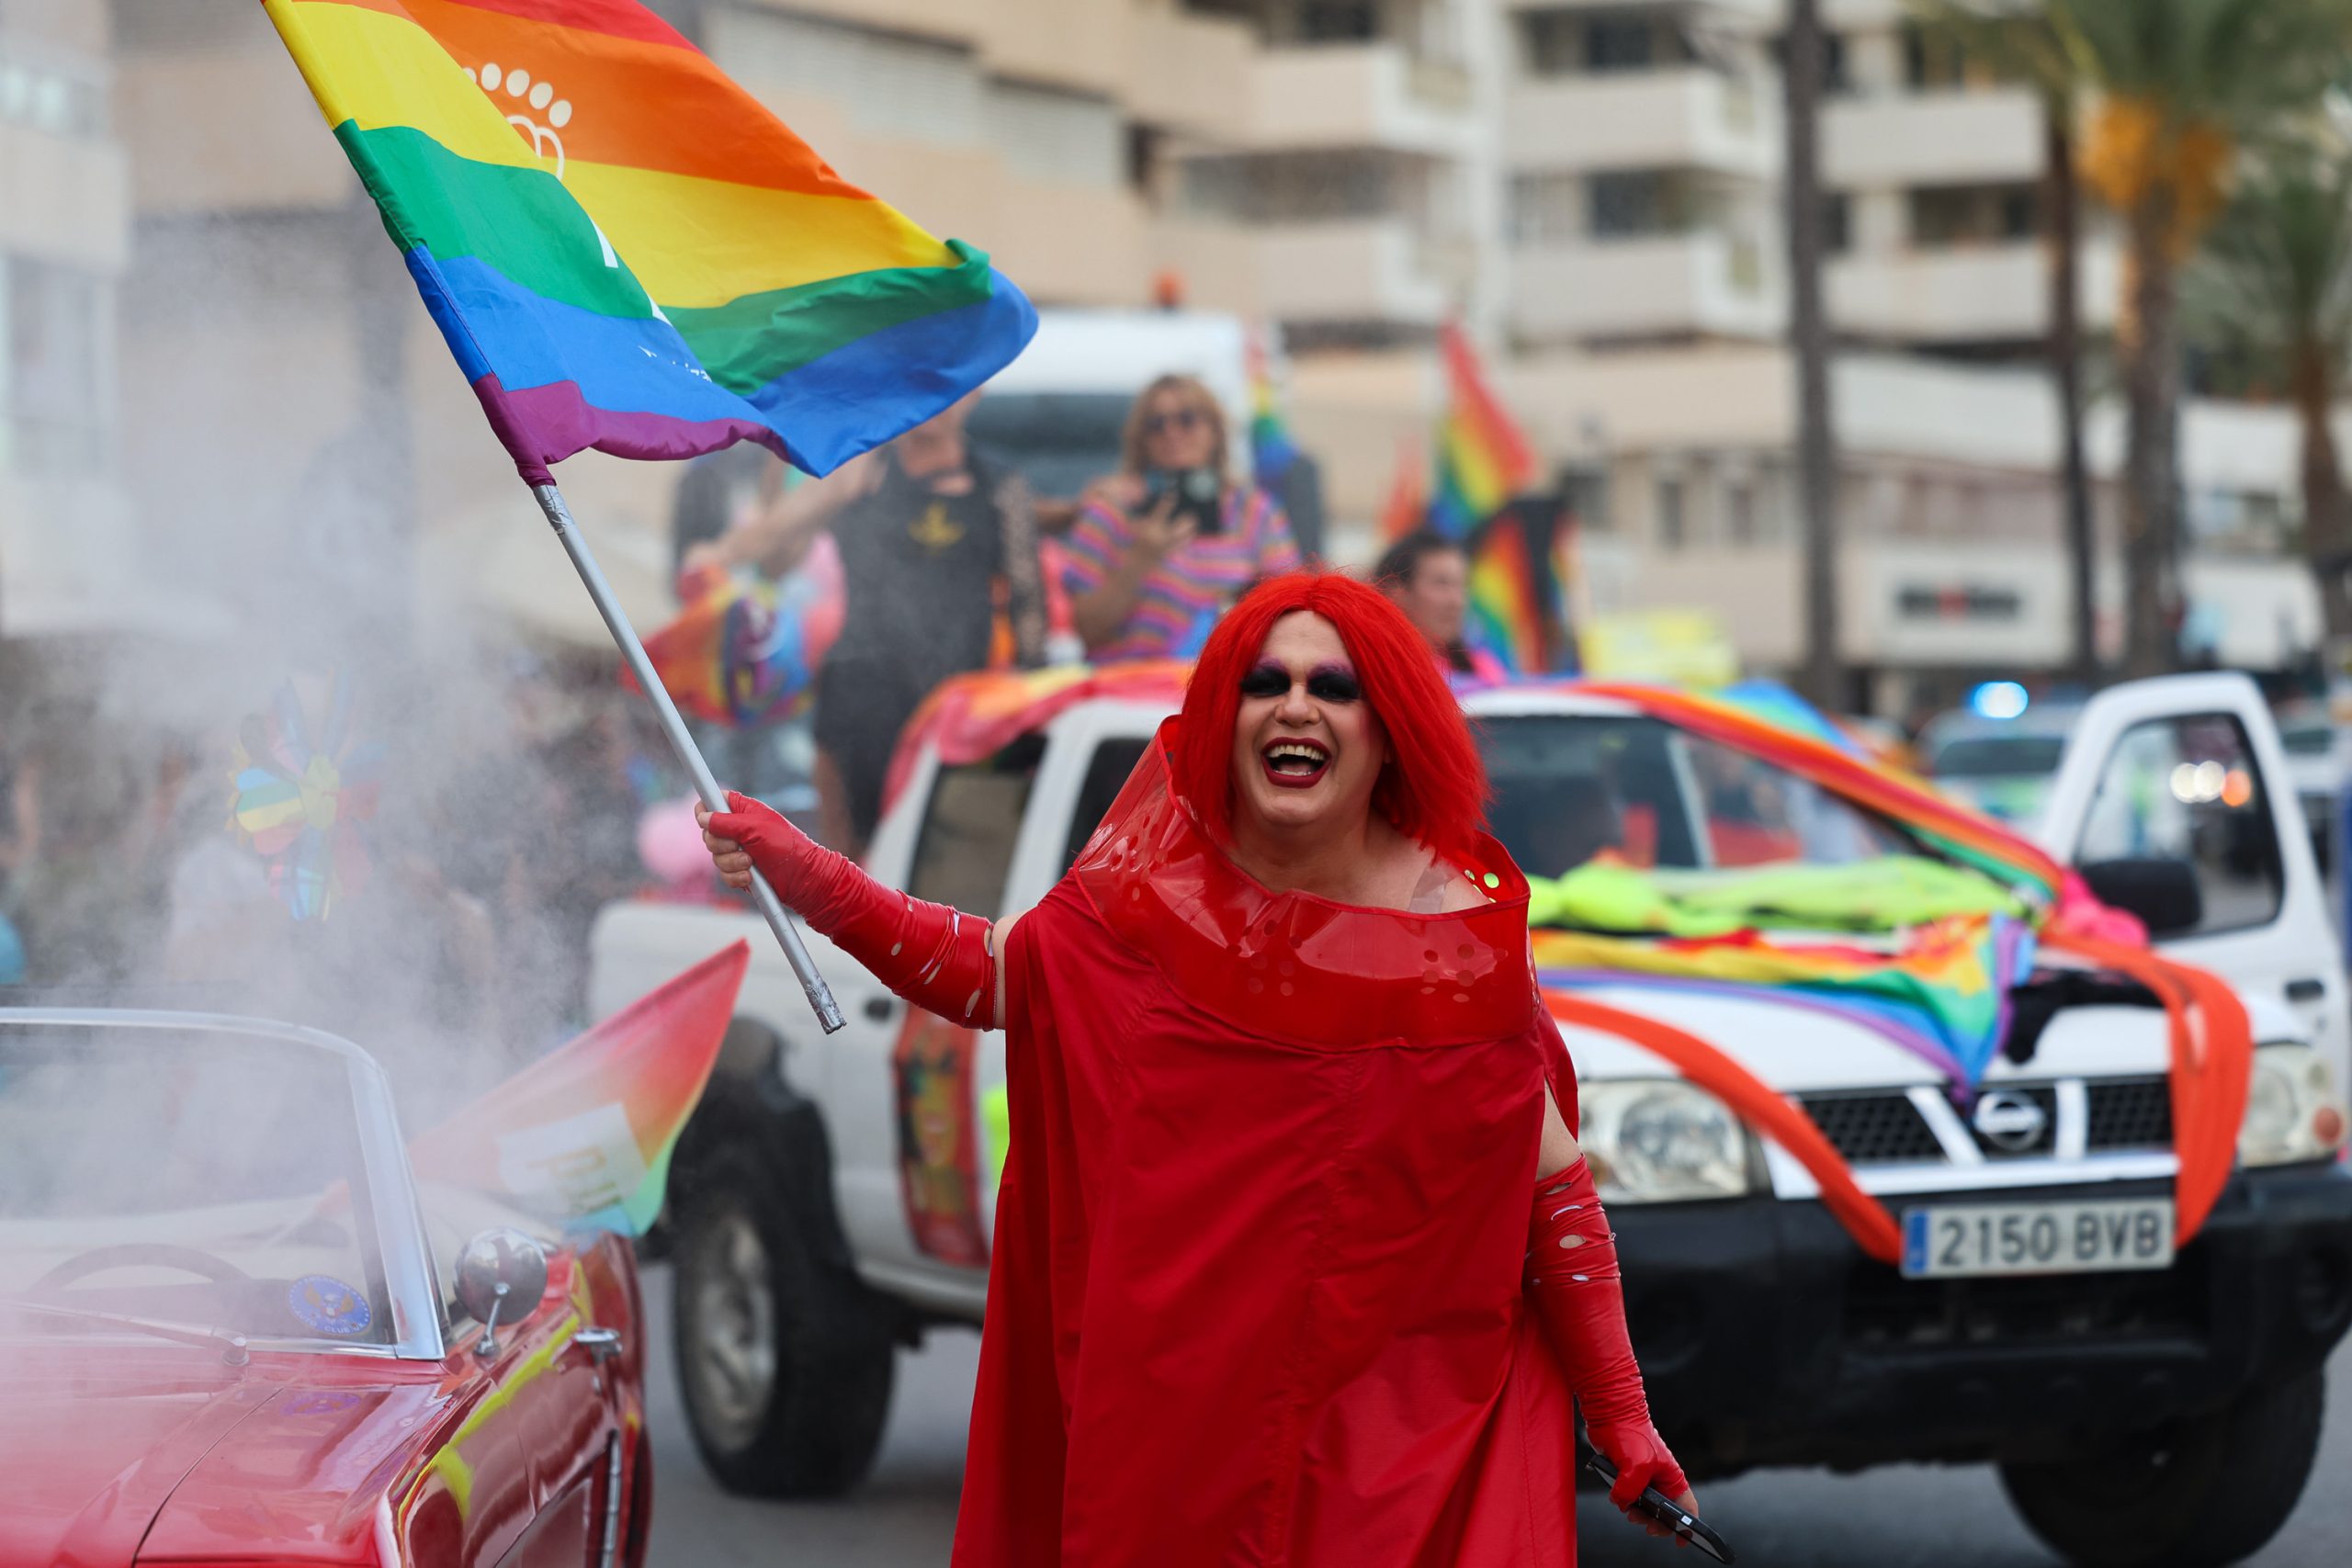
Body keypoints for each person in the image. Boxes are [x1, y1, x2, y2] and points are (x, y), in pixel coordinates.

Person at [697, 572, 1696, 1565]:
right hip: (1173, 1444)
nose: (1294, 706)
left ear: (1387, 730)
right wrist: (810, 873)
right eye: (1265, 683)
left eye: (1333, 687)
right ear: (1227, 714)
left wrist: (1623, 1418)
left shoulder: (1457, 937)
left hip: (1387, 1460)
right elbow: (995, 975)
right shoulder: (1150, 889)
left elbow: (1551, 1186)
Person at [686, 395, 1047, 855]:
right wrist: (722, 554)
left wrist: (1033, 704)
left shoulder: (998, 485)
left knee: (937, 855)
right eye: (920, 383)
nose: (935, 400)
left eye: (949, 385)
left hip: (951, 706)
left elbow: (1028, 601)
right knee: (859, 859)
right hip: (861, 698)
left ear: (973, 393)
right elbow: (779, 534)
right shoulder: (863, 470)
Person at [1063, 374, 1302, 661]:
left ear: (1215, 430)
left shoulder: (1255, 512)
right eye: (1156, 424)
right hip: (1131, 678)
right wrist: (1140, 559)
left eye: (1187, 419)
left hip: (1223, 675)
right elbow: (1086, 630)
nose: (1171, 432)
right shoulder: (1111, 512)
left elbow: (1292, 613)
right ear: (1141, 440)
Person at [1375, 528, 1508, 681]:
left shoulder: (1482, 669)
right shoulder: (1378, 669)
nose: (1457, 601)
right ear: (1396, 591)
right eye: (1441, 583)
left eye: (1463, 585)